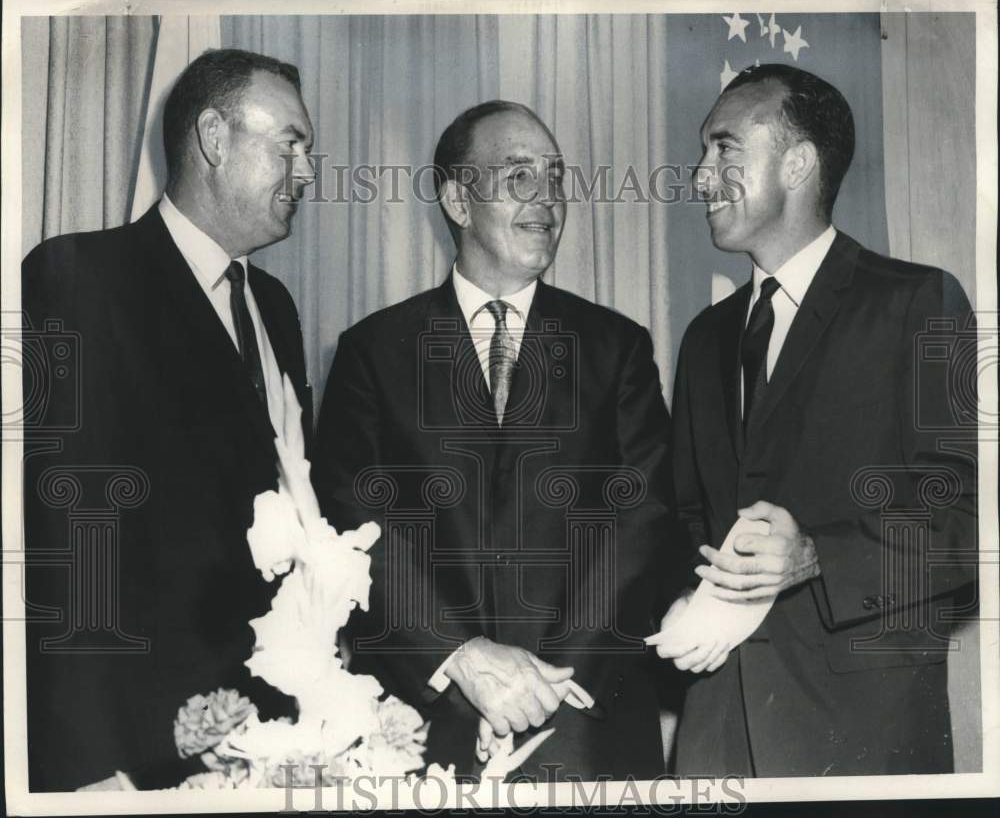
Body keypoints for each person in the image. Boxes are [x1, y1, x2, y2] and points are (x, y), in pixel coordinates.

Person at [312, 100, 677, 780]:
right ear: (456, 198)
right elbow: (351, 521)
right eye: (518, 178)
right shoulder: (373, 351)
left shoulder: (617, 347)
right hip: (425, 724)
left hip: (584, 719)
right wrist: (464, 659)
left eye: (555, 179)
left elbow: (644, 518)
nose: (547, 202)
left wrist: (544, 683)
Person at [656, 63, 977, 776]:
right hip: (718, 735)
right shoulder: (704, 339)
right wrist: (690, 596)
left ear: (798, 163)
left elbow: (969, 521)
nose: (701, 176)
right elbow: (684, 520)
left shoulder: (917, 301)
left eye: (724, 148)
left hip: (863, 740)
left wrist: (817, 558)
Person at [21, 48, 316, 790]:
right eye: (291, 144)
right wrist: (85, 765)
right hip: (134, 750)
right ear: (215, 139)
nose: (308, 173)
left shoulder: (274, 307)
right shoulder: (81, 277)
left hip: (264, 729)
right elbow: (66, 535)